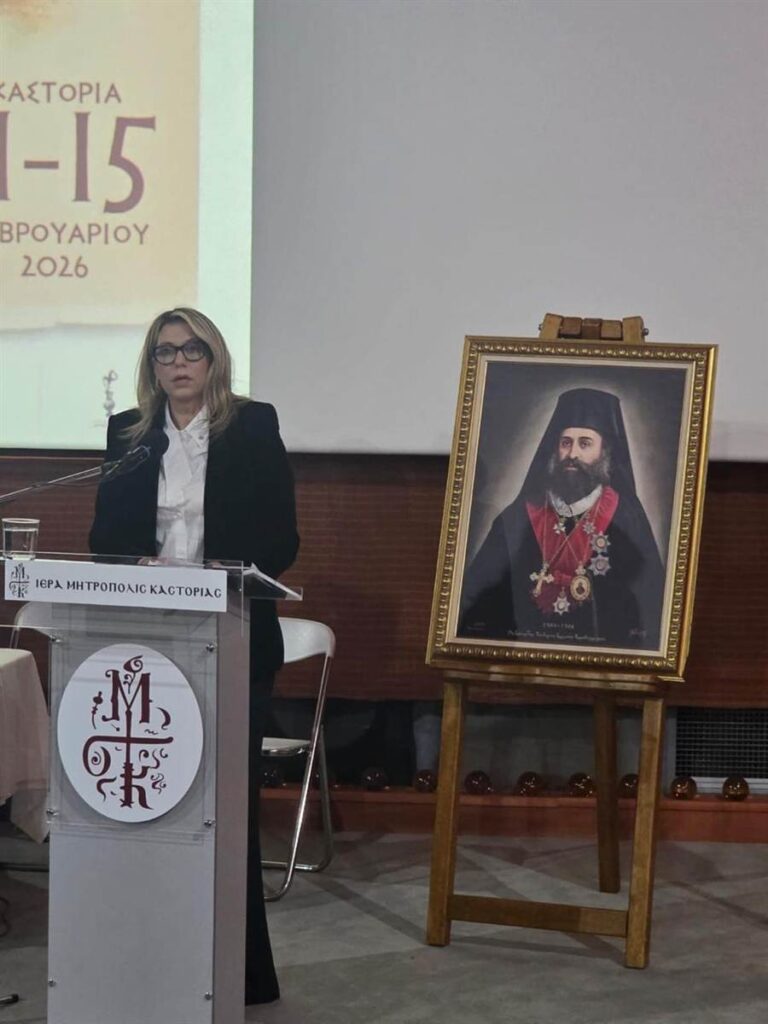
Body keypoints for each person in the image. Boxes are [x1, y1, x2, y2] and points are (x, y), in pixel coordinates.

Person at [89, 307, 299, 1005]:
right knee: (151, 796)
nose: (178, 364)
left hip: (232, 633)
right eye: (165, 353)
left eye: (191, 351)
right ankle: (149, 963)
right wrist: (137, 562)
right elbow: (103, 539)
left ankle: (241, 976)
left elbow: (282, 539)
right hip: (146, 639)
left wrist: (220, 569)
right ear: (152, 366)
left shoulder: (253, 425)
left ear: (215, 359)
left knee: (226, 807)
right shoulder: (130, 432)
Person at [458, 387, 665, 650]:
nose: (572, 454)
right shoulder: (519, 514)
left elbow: (649, 604)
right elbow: (477, 593)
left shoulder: (627, 516)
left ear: (605, 453)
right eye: (566, 443)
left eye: (585, 443)